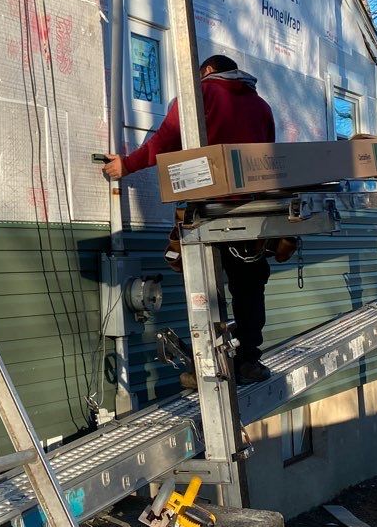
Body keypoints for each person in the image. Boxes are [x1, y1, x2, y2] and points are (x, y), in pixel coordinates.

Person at [100, 54, 276, 385]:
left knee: (205, 291)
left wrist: (127, 165)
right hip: (252, 213)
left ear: (207, 72)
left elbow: (165, 139)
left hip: (206, 212)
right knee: (249, 288)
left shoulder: (200, 96)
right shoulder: (262, 106)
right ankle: (249, 361)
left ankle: (209, 365)